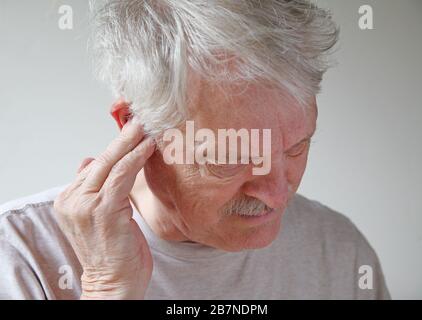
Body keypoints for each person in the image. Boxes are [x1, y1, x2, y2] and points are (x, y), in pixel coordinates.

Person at [0, 0, 390, 299]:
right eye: (231, 158)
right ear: (133, 126)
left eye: (296, 148)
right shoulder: (19, 256)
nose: (276, 194)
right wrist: (108, 287)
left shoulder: (338, 250)